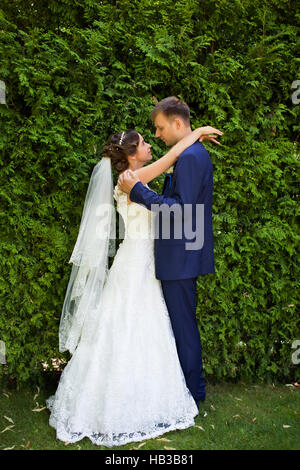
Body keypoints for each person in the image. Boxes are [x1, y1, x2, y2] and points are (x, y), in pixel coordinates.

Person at [45, 118, 222, 448]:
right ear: (131, 154)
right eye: (143, 143)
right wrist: (195, 134)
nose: (150, 144)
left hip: (144, 261)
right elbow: (171, 159)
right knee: (129, 327)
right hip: (137, 262)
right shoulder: (131, 177)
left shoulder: (134, 176)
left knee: (141, 328)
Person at [118, 96, 220, 409]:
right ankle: (187, 389)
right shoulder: (189, 153)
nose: (158, 135)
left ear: (177, 123)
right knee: (180, 325)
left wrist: (137, 193)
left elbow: (181, 211)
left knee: (184, 328)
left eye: (160, 128)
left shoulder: (190, 157)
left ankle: (193, 393)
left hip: (180, 257)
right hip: (181, 255)